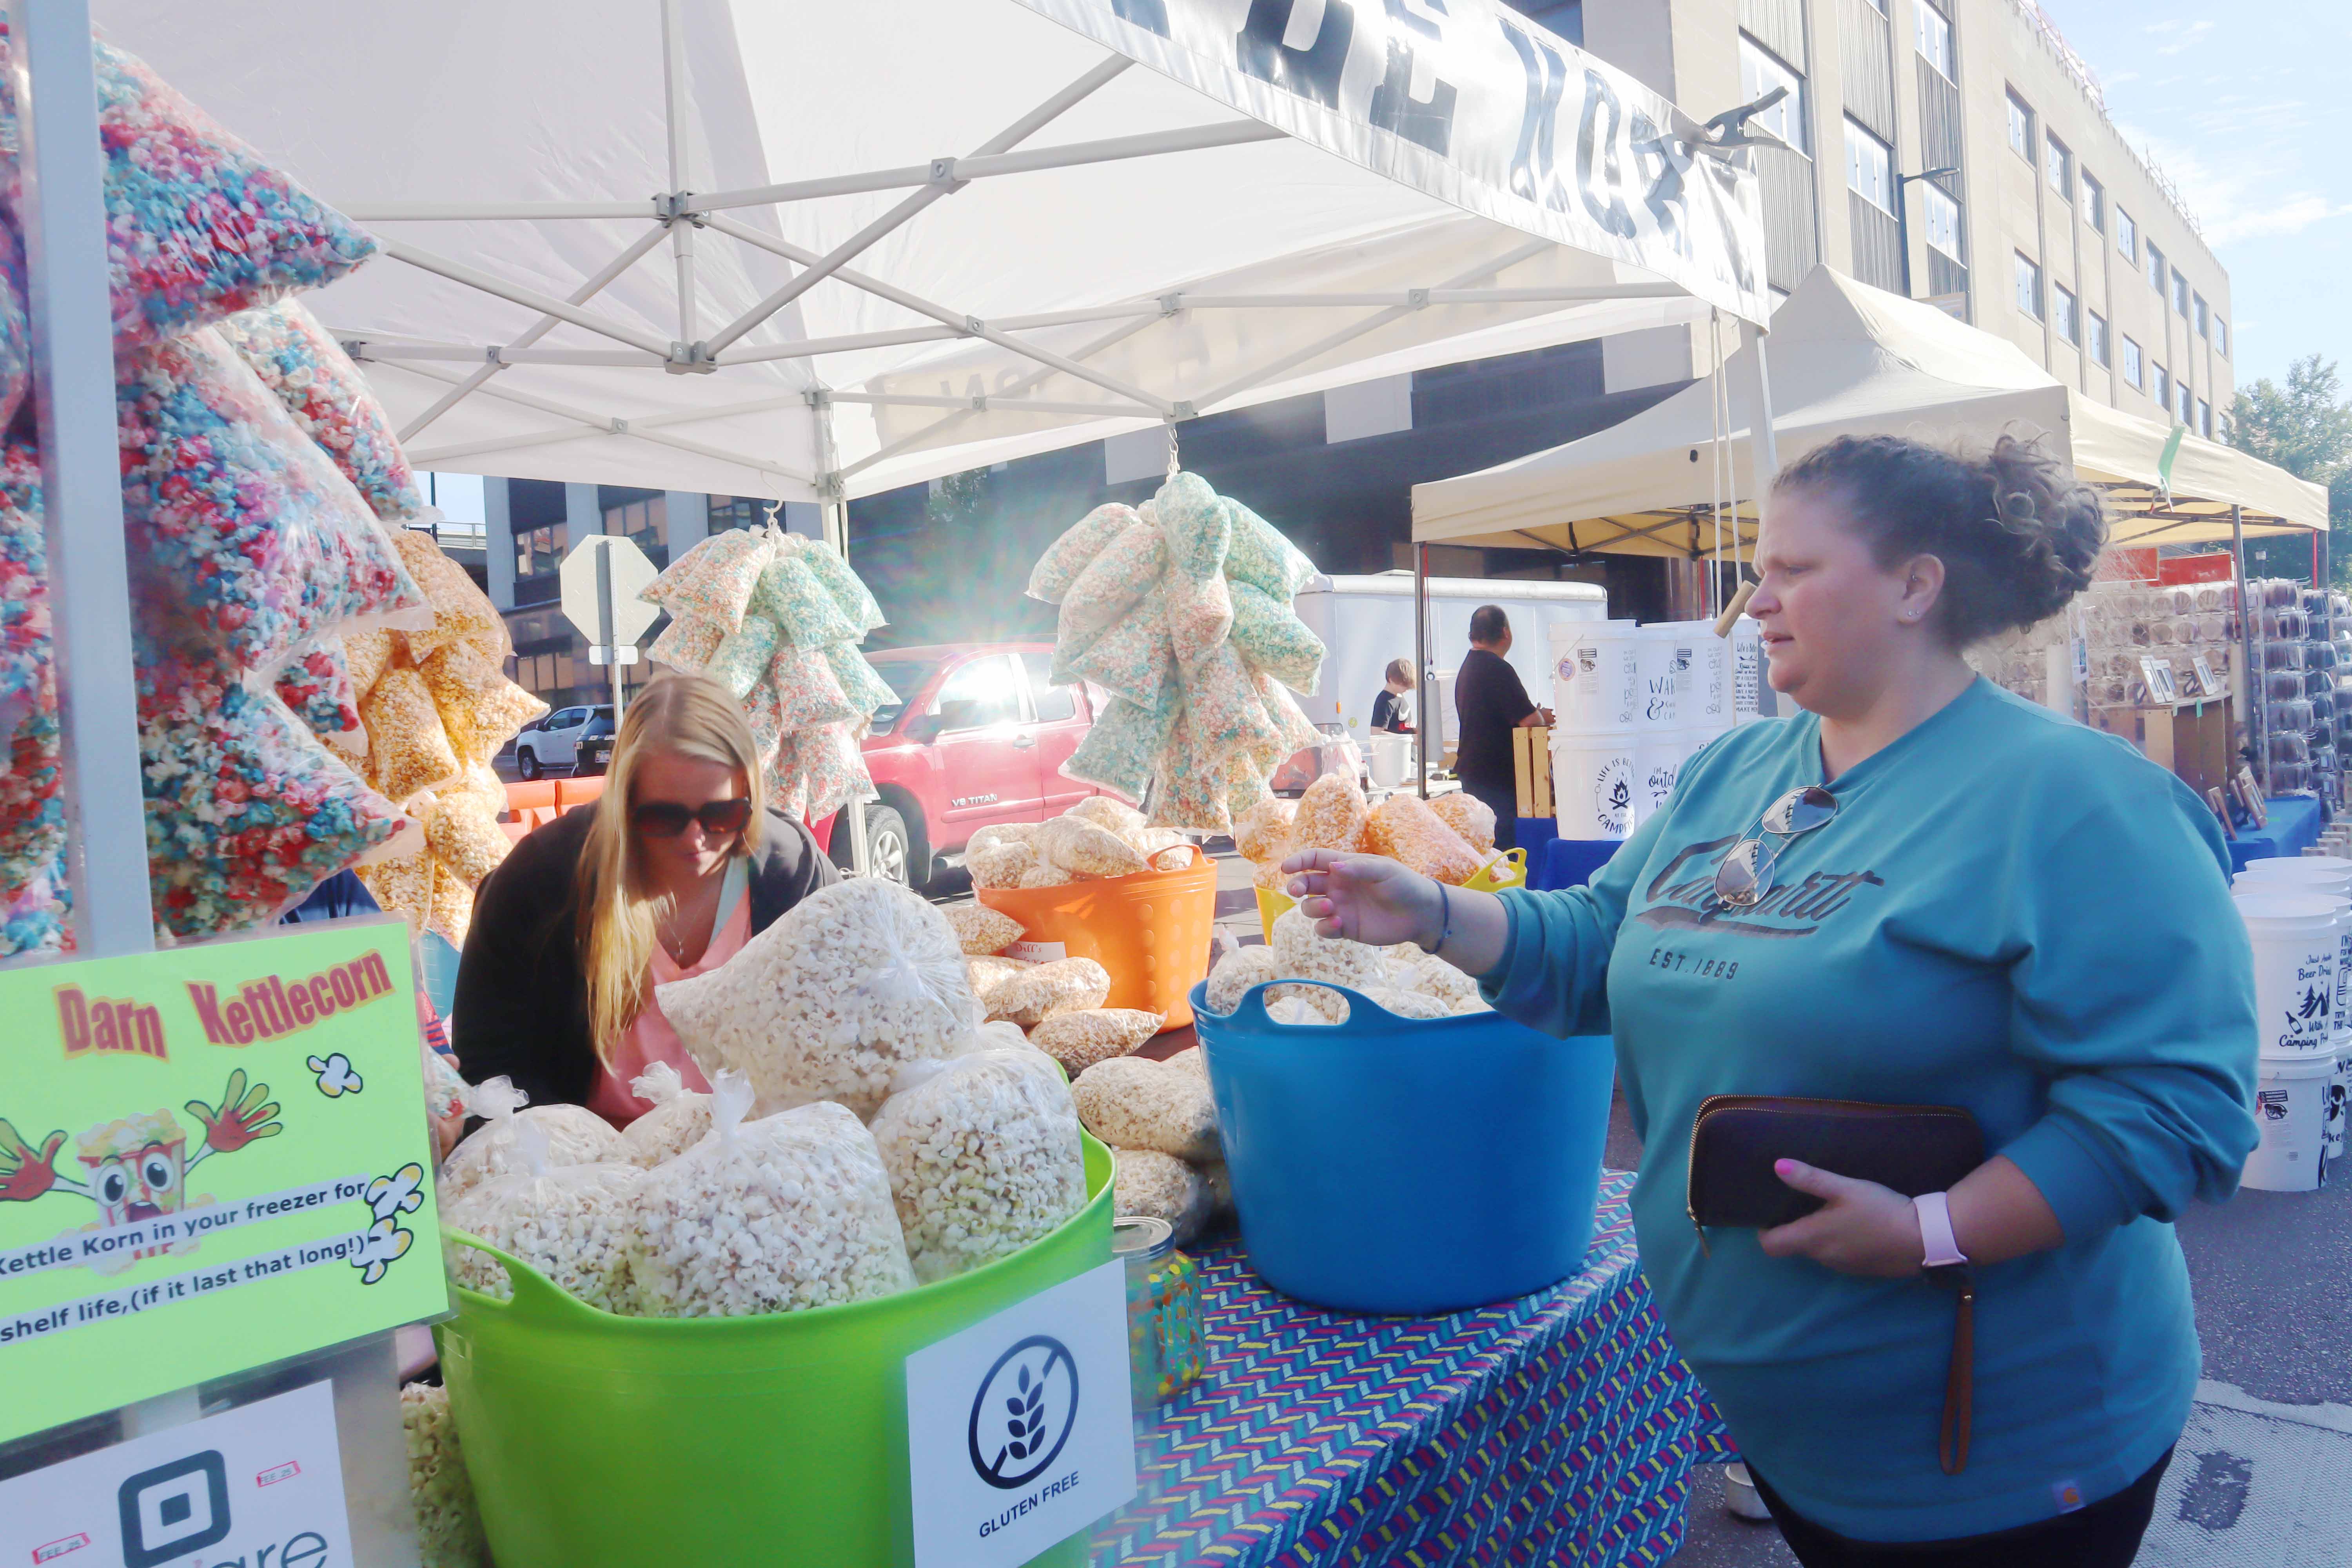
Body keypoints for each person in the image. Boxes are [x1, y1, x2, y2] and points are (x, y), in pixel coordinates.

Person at [1284, 435, 2255, 1567]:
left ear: (1914, 583)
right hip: (1796, 1437)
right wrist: (1435, 913)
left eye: (1795, 570)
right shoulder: (1738, 771)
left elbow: (2174, 1107)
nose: (1757, 605)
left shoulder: (2082, 802)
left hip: (1999, 1459)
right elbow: (1600, 939)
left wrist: (1931, 1232)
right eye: (1759, 572)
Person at [454, 672, 837, 1124]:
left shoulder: (793, 874)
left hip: (758, 1161)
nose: (696, 840)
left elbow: (848, 1032)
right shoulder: (542, 881)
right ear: (623, 801)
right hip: (590, 1172)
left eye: (722, 813)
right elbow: (491, 1065)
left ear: (750, 796)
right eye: (663, 816)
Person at [1452, 606, 1552, 851]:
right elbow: (1530, 721)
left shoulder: (1470, 665)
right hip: (1496, 778)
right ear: (1506, 633)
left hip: (1476, 771)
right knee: (1503, 849)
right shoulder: (1496, 667)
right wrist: (1544, 715)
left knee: (1486, 846)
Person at [1370, 659, 1416, 734]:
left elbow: (1398, 727)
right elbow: (1376, 733)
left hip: (1406, 745)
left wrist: (1413, 731)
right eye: (1403, 684)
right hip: (1395, 746)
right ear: (1391, 680)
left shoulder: (1400, 696)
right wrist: (1406, 738)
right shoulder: (1384, 701)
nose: (1407, 688)